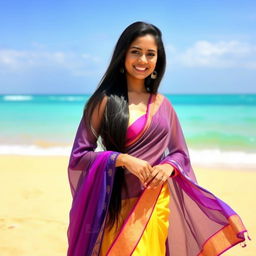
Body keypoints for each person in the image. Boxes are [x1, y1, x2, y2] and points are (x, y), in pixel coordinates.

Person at [67, 21, 250, 256]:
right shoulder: (104, 102)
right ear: (123, 55)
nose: (143, 60)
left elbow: (180, 153)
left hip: (154, 202)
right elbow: (79, 156)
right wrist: (121, 159)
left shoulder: (164, 105)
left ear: (157, 61)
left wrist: (168, 166)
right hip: (115, 206)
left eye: (150, 54)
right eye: (136, 51)